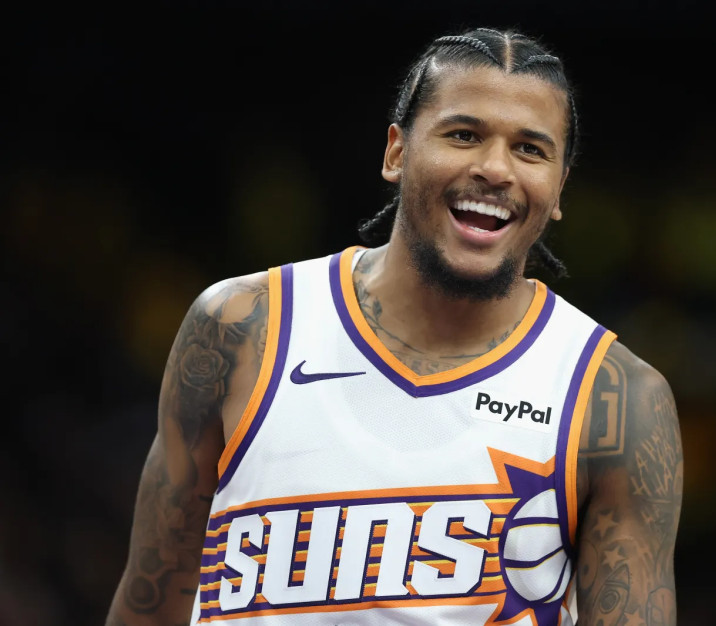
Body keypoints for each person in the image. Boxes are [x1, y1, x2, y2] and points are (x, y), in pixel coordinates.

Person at [107, 26, 683, 626]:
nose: (495, 168)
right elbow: (148, 605)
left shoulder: (616, 398)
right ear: (397, 153)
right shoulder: (241, 327)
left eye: (530, 150)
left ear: (558, 187)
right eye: (464, 135)